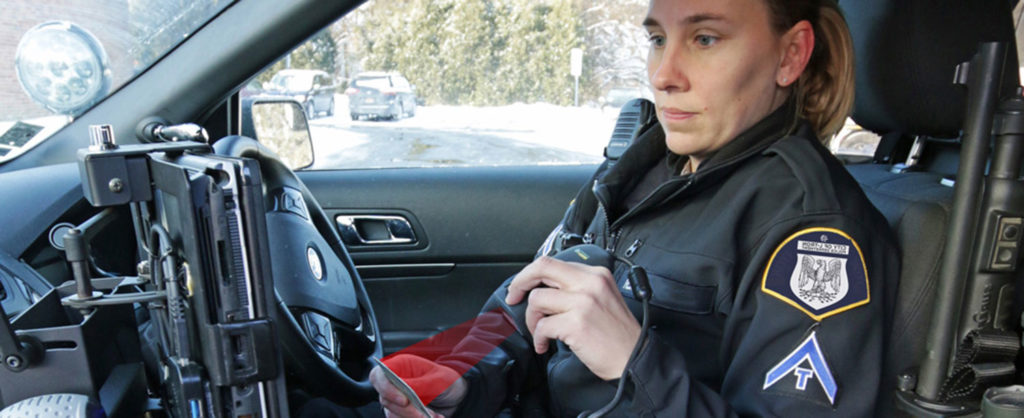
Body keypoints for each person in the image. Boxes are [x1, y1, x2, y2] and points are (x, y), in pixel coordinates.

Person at [370, 0, 898, 416]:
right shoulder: (640, 166)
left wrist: (632, 362)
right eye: (657, 39)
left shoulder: (814, 232)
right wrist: (462, 375)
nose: (664, 73)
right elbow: (530, 300)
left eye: (705, 38)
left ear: (790, 55)